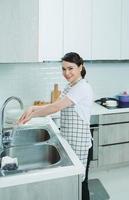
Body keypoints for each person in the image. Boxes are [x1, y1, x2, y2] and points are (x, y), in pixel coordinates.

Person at [18, 52, 93, 200]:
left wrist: (32, 114)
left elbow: (55, 108)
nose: (66, 73)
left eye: (70, 68)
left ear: (80, 67)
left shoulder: (82, 87)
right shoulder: (70, 86)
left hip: (79, 144)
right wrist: (33, 108)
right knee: (74, 184)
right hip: (70, 141)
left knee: (80, 184)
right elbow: (54, 104)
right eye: (64, 69)